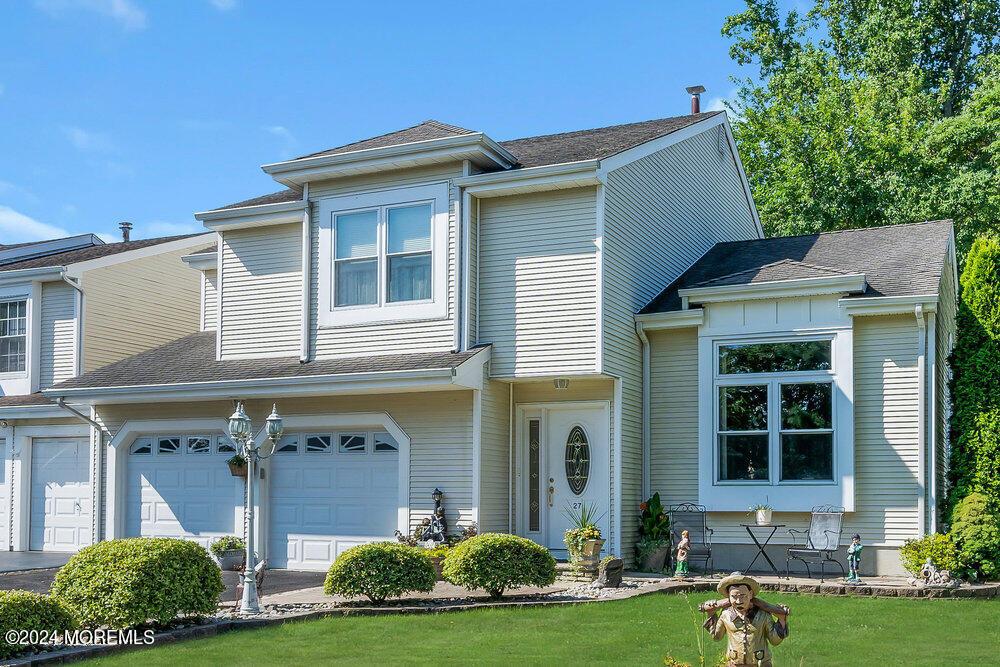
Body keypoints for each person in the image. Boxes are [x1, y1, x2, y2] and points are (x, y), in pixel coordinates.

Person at [701, 572, 789, 666]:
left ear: (750, 594)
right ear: (728, 597)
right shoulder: (726, 614)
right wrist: (711, 613)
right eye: (734, 597)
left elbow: (774, 641)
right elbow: (716, 637)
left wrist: (782, 620)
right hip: (733, 663)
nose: (739, 601)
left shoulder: (763, 615)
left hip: (760, 663)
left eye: (743, 596)